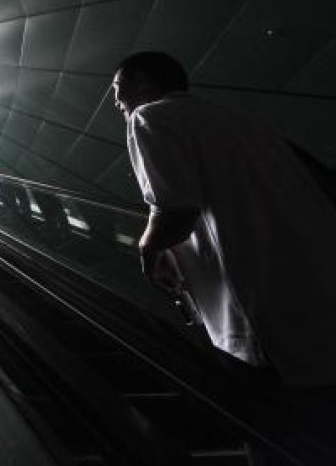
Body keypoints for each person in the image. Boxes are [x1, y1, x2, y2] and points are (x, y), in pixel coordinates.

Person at [112, 51, 336, 456]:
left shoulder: (150, 118)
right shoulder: (242, 120)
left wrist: (148, 250)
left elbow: (175, 209)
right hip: (316, 300)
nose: (116, 101)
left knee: (273, 431)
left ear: (143, 82)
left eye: (118, 88)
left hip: (259, 314)